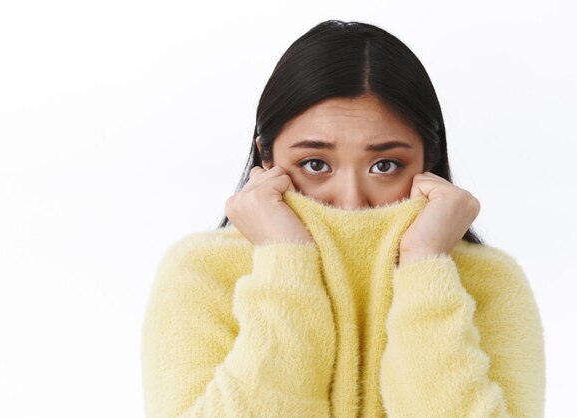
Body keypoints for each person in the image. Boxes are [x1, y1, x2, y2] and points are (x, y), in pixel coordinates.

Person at [141, 20, 545, 417]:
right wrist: (285, 263)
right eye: (315, 163)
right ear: (266, 158)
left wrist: (425, 265)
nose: (351, 202)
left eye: (385, 165)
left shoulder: (489, 283)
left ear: (429, 162)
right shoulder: (201, 272)